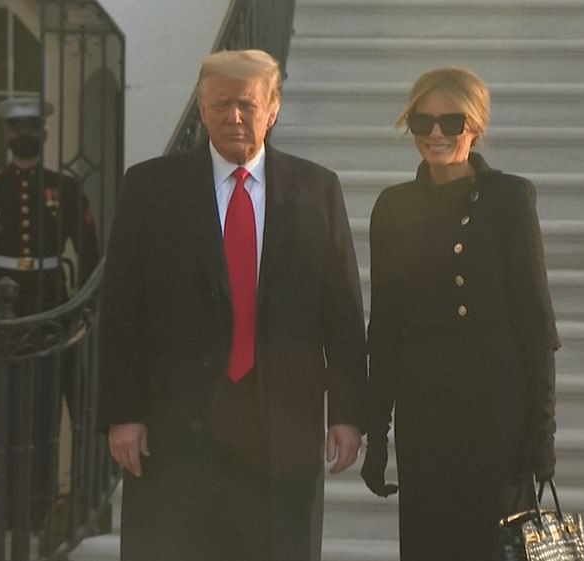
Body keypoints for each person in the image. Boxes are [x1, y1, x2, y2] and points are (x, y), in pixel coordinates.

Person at [97, 49, 367, 561]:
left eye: (247, 104)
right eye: (220, 105)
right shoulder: (150, 187)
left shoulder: (317, 189)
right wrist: (122, 413)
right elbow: (121, 311)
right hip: (175, 426)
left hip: (282, 429)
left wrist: (348, 413)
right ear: (201, 109)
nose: (234, 117)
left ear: (273, 109)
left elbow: (342, 313)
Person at [360, 67, 560, 560]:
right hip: (425, 414)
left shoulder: (510, 199)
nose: (435, 134)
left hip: (497, 414)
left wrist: (541, 435)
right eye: (422, 121)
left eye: (451, 122)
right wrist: (377, 436)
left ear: (476, 126)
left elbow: (536, 325)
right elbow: (384, 328)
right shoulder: (393, 206)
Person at [0, 97, 99, 527]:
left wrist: (80, 310)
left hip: (50, 304)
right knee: (5, 414)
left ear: (45, 134)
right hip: (1, 309)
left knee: (43, 414)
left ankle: (38, 506)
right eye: (18, 129)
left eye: (32, 129)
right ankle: (5, 506)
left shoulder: (65, 188)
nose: (24, 136)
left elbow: (89, 253)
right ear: (7, 135)